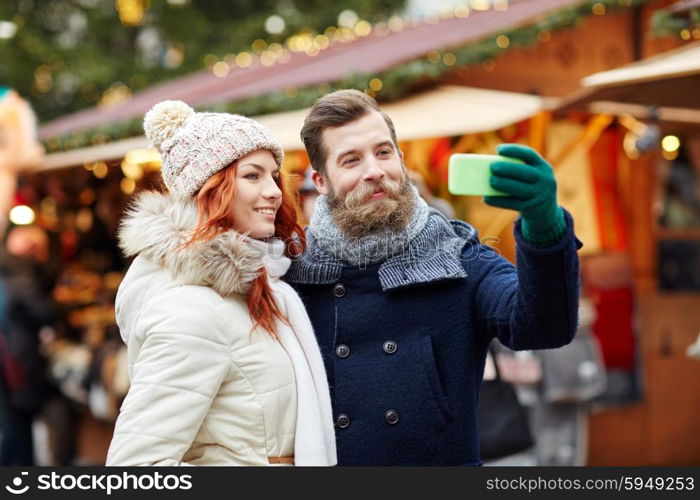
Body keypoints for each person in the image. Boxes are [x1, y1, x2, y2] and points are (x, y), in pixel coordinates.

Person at [285, 89, 581, 466]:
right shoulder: (293, 273)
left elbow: (545, 327)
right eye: (351, 160)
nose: (374, 171)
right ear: (321, 181)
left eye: (383, 152)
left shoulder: (458, 258)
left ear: (402, 160)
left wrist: (544, 225)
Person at [106, 100, 336, 466]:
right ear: (208, 189)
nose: (275, 191)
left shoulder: (252, 287)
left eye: (274, 175)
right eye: (252, 175)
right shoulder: (190, 310)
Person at [0, 225, 55, 466]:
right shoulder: (21, 275)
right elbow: (44, 312)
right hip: (17, 359)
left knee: (12, 425)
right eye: (41, 250)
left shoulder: (6, 271)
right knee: (18, 426)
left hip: (8, 357)